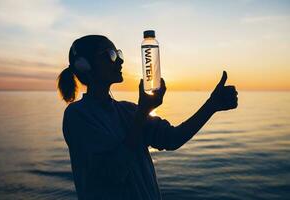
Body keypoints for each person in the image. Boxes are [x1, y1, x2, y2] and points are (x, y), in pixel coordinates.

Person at [57, 35, 238, 200]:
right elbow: (113, 172)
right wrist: (143, 112)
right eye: (111, 54)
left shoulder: (128, 110)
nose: (120, 60)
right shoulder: (78, 116)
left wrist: (211, 105)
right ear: (84, 65)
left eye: (119, 54)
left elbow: (172, 139)